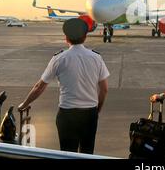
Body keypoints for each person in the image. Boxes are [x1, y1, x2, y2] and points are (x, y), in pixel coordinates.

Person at [18, 18, 110, 154]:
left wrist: (25, 103)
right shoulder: (96, 58)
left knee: (67, 153)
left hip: (67, 114)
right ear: (85, 37)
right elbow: (104, 89)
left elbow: (40, 86)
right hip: (89, 114)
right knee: (87, 153)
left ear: (66, 38)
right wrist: (97, 110)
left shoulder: (59, 58)